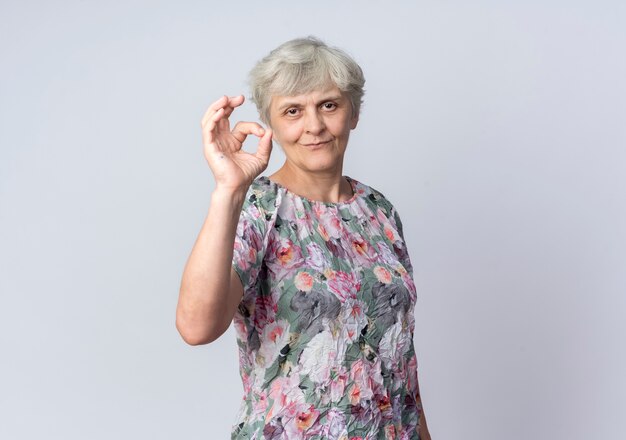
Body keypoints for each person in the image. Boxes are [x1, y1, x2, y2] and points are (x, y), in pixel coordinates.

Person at [176, 36, 432, 439]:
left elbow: (401, 363)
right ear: (272, 125)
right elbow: (196, 327)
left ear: (353, 113)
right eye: (293, 111)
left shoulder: (378, 210)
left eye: (328, 105)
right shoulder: (259, 207)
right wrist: (228, 191)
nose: (314, 126)